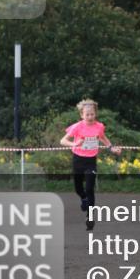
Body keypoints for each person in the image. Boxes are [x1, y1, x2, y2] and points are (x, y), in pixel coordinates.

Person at [59, 99, 121, 231]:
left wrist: (112, 148)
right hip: (78, 160)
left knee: (89, 188)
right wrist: (74, 144)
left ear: (95, 114)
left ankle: (90, 217)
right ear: (82, 115)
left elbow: (103, 138)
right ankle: (83, 199)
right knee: (78, 188)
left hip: (91, 161)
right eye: (87, 114)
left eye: (92, 114)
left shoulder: (99, 126)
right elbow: (63, 140)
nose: (90, 117)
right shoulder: (77, 127)